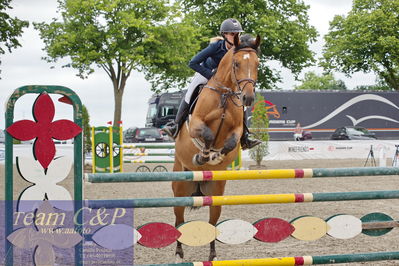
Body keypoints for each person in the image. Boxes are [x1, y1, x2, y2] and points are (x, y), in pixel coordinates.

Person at [163, 18, 261, 150]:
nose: (235, 36)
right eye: (232, 34)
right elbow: (193, 62)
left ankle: (245, 137)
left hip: (228, 81)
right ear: (224, 35)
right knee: (190, 91)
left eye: (237, 33)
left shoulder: (240, 49)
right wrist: (210, 75)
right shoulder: (216, 47)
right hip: (206, 74)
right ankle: (176, 125)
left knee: (242, 102)